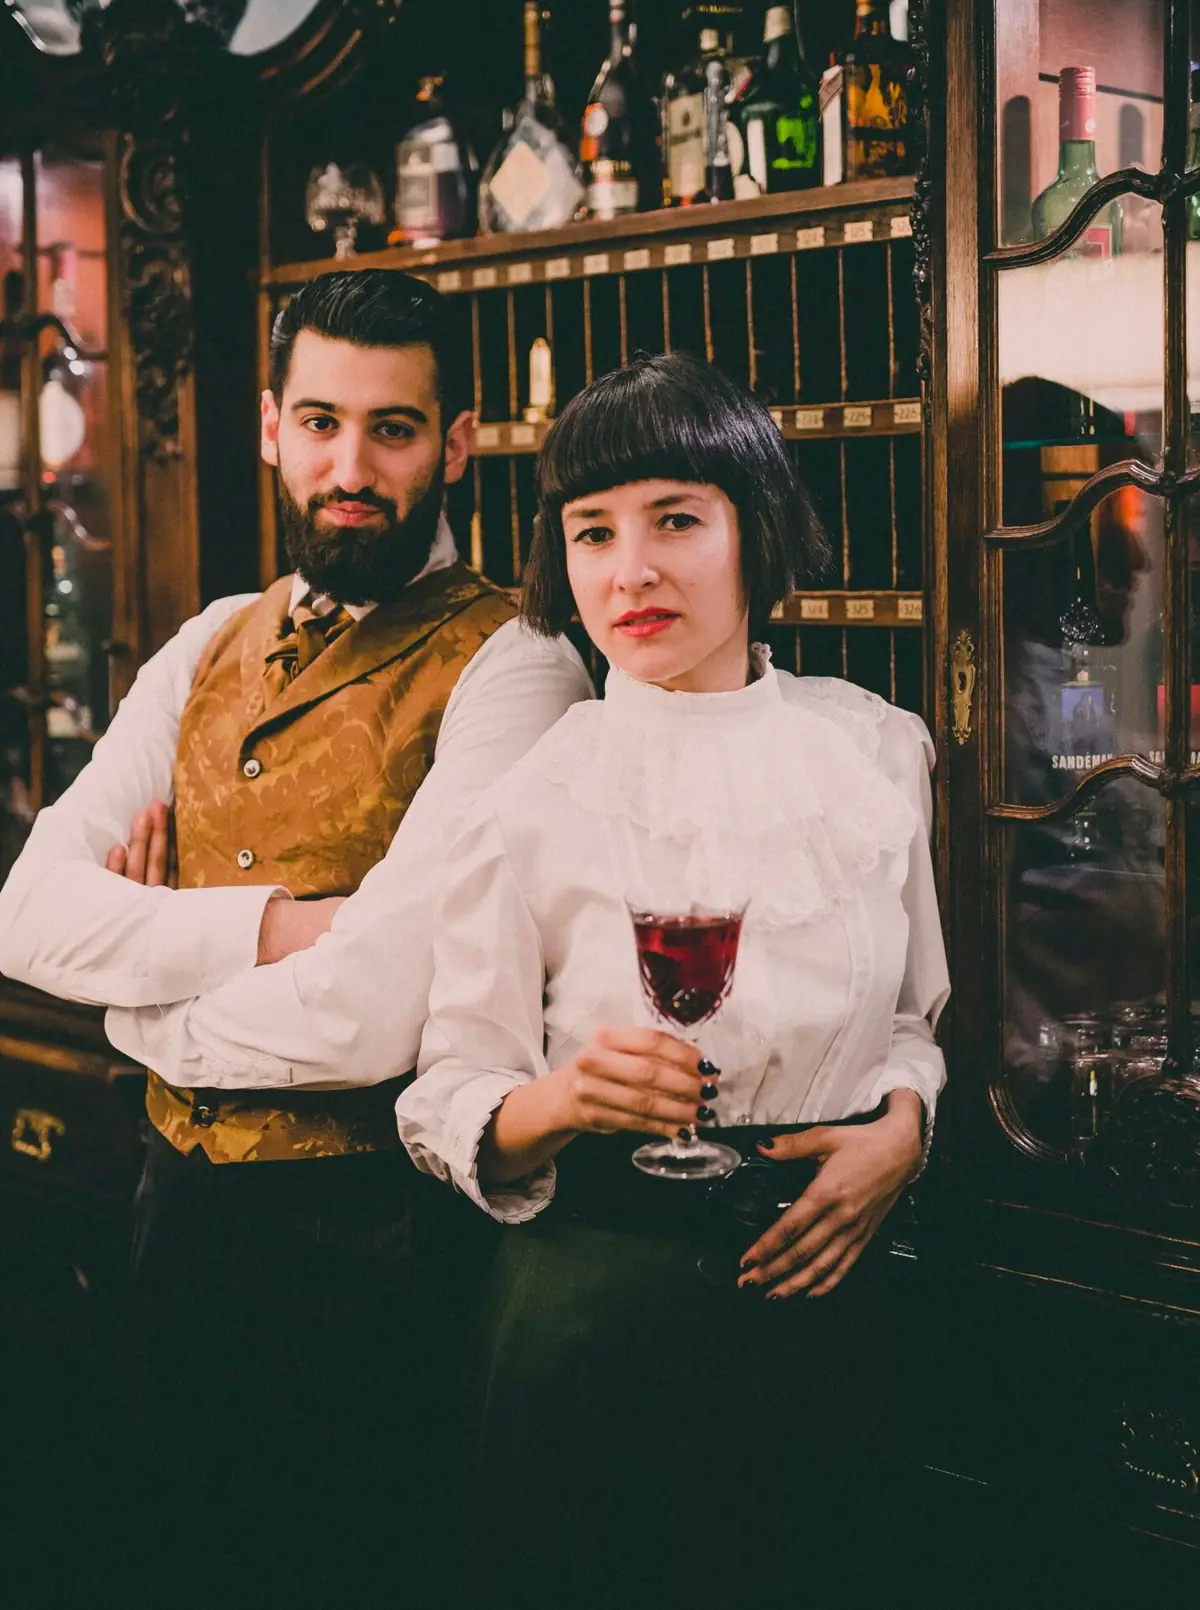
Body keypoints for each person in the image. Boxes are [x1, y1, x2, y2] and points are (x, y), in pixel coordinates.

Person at [0, 267, 591, 1601]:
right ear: (272, 426)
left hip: (372, 1250)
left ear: (456, 443)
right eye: (321, 422)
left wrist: (133, 976)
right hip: (173, 1212)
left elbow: (371, 1013)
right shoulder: (211, 636)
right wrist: (273, 926)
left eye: (393, 429)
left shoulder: (520, 663)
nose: (351, 466)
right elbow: (25, 908)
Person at [396, 351, 950, 1608]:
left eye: (677, 520)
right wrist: (567, 1099)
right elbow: (444, 1094)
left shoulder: (875, 747)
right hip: (593, 1312)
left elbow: (915, 1013)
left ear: (758, 527)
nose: (629, 570)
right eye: (592, 531)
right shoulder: (523, 799)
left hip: (829, 1292)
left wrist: (903, 1131)